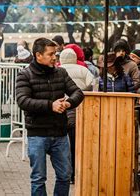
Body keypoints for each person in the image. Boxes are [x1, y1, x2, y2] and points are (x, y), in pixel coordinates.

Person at [16, 38, 84, 195]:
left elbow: (77, 92)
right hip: (37, 134)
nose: (55, 57)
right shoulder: (24, 75)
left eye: (56, 53)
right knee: (39, 178)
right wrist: (50, 105)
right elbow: (23, 101)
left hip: (60, 133)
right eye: (51, 54)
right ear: (38, 55)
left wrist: (68, 103)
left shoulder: (61, 72)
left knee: (65, 175)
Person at [58, 48, 93, 184]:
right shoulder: (83, 70)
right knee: (75, 143)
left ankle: (67, 174)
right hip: (79, 108)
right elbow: (92, 83)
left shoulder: (57, 69)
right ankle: (74, 172)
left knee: (62, 145)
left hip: (61, 108)